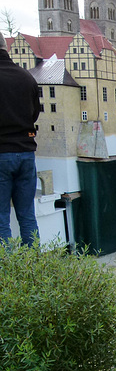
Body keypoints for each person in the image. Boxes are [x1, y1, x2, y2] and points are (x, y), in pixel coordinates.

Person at [0, 31, 40, 246]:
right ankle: (34, 268)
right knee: (27, 216)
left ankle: (7, 272)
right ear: (6, 47)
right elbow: (34, 112)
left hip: (1, 153)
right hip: (25, 152)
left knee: (1, 220)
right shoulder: (26, 76)